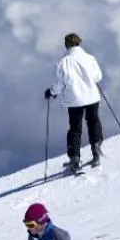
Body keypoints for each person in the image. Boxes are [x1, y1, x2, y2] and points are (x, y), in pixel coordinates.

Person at [44, 32, 106, 173]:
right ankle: (96, 149)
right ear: (79, 43)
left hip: (74, 100)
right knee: (93, 121)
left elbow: (59, 86)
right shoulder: (90, 58)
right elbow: (98, 76)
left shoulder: (63, 62)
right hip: (91, 96)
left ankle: (75, 159)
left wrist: (51, 92)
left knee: (75, 129)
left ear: (66, 44)